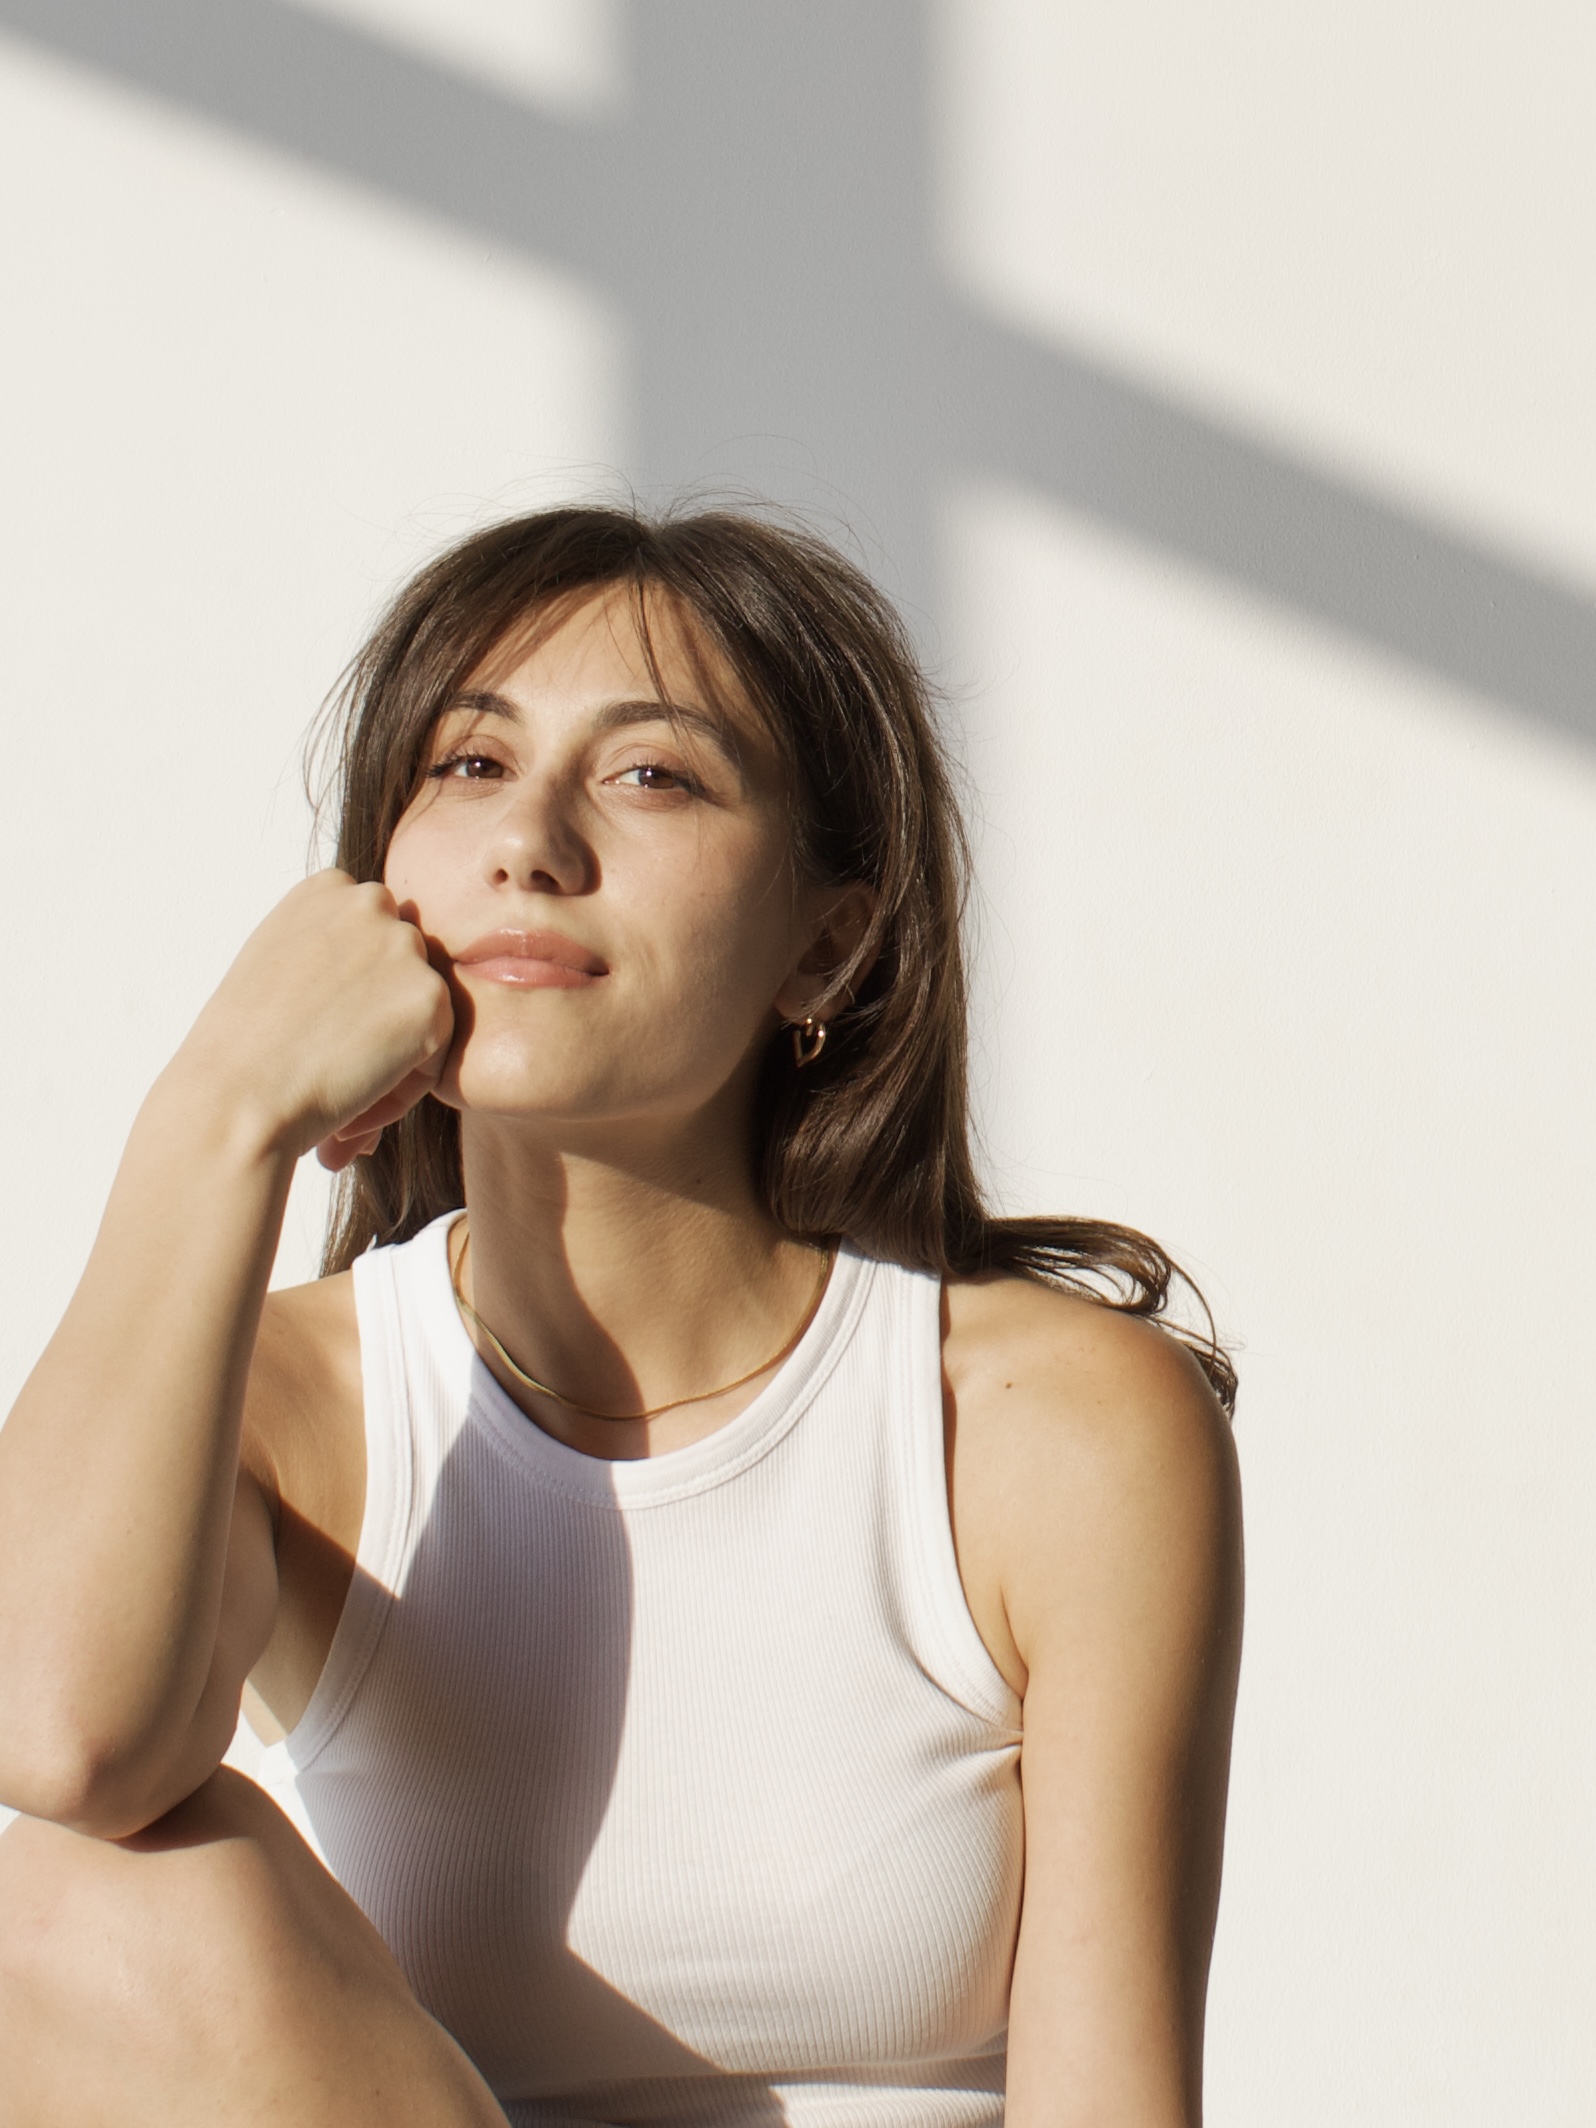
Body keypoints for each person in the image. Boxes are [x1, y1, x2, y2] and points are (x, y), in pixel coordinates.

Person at [0, 506, 1242, 2127]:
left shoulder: (1042, 1426)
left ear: (826, 945)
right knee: (74, 1899)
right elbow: (60, 1743)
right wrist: (218, 1107)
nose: (530, 842)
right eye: (469, 765)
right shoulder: (297, 1405)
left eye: (651, 775)